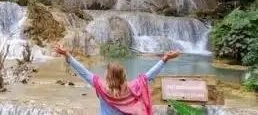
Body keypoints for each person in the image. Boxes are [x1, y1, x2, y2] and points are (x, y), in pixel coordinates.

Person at [53, 44, 182, 115]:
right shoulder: (132, 87)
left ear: (108, 76)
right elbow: (149, 76)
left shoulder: (100, 86)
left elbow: (84, 72)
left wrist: (67, 55)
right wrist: (165, 59)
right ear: (123, 76)